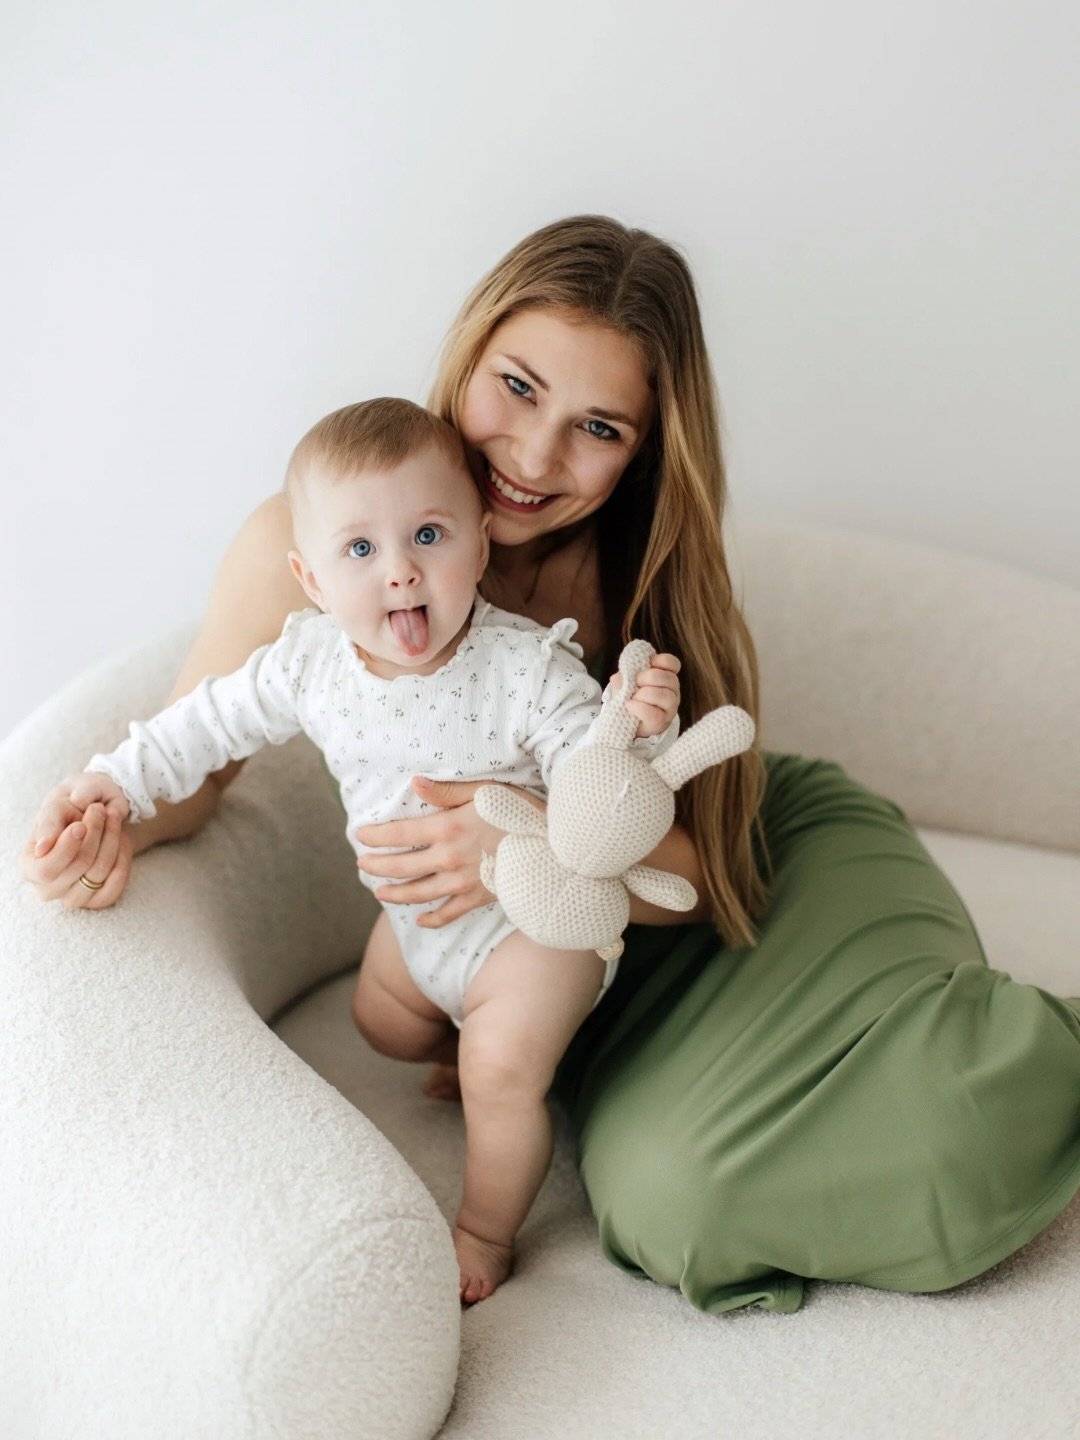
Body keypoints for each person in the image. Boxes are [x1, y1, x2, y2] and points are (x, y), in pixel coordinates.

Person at [23, 216, 1080, 1316]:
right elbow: (200, 749)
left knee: (943, 1099)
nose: (533, 457)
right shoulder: (326, 538)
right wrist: (113, 824)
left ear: (644, 451)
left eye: (598, 428)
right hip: (560, 967)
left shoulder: (634, 585)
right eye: (517, 388)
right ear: (467, 356)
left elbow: (702, 871)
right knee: (678, 1201)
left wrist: (524, 842)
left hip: (727, 877)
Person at [26, 395, 681, 1304]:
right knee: (384, 1025)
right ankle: (470, 1045)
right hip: (418, 920)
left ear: (482, 543)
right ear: (313, 579)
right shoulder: (309, 665)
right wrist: (116, 785)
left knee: (501, 1073)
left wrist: (631, 732)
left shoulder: (525, 668)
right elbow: (200, 726)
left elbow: (594, 780)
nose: (402, 574)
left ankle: (486, 1228)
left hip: (533, 927)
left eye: (429, 536)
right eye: (363, 552)